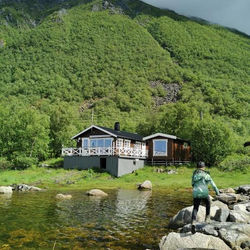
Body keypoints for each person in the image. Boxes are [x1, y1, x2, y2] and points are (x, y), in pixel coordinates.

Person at [191, 161, 219, 234]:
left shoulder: (194, 174)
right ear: (204, 167)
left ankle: (193, 222)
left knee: (195, 207)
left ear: (197, 167)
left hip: (196, 192)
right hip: (204, 192)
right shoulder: (206, 174)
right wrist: (217, 192)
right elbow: (213, 184)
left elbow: (192, 184)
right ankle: (207, 218)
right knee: (208, 203)